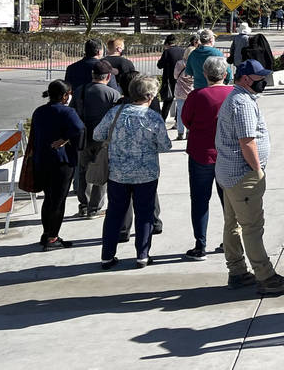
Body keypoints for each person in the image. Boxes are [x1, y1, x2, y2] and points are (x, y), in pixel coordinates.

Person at [215, 59, 284, 294]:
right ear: (246, 79)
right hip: (243, 174)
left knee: (233, 223)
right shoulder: (242, 102)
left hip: (229, 173)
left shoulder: (237, 98)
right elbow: (247, 141)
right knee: (251, 226)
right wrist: (257, 169)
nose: (264, 81)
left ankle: (237, 271)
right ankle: (265, 275)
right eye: (260, 77)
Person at [95, 75, 172, 269]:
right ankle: (142, 255)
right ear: (149, 96)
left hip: (117, 173)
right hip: (145, 174)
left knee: (114, 213)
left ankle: (107, 256)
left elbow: (98, 134)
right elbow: (165, 146)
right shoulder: (153, 118)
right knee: (145, 213)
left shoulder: (115, 113)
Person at [180, 56, 234, 261]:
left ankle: (200, 245)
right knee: (228, 201)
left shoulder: (197, 95)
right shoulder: (233, 94)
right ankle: (230, 240)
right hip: (227, 155)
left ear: (204, 74)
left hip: (201, 153)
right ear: (226, 74)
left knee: (200, 200)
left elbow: (187, 120)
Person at [30, 79, 85, 251]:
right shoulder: (67, 112)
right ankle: (52, 238)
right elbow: (80, 129)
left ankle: (47, 233)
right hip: (61, 162)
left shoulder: (39, 111)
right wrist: (65, 139)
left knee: (48, 199)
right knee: (58, 202)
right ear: (64, 96)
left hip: (41, 160)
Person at [76, 60, 120, 218]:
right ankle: (94, 208)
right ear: (108, 76)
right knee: (101, 172)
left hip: (83, 138)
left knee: (82, 172)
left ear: (92, 75)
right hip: (103, 140)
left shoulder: (80, 91)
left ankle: (83, 204)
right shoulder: (112, 94)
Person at [156, 34, 186, 121]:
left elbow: (160, 65)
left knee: (168, 100)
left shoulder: (167, 52)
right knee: (180, 101)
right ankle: (178, 120)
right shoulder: (183, 51)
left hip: (169, 79)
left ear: (167, 43)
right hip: (181, 79)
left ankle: (162, 119)